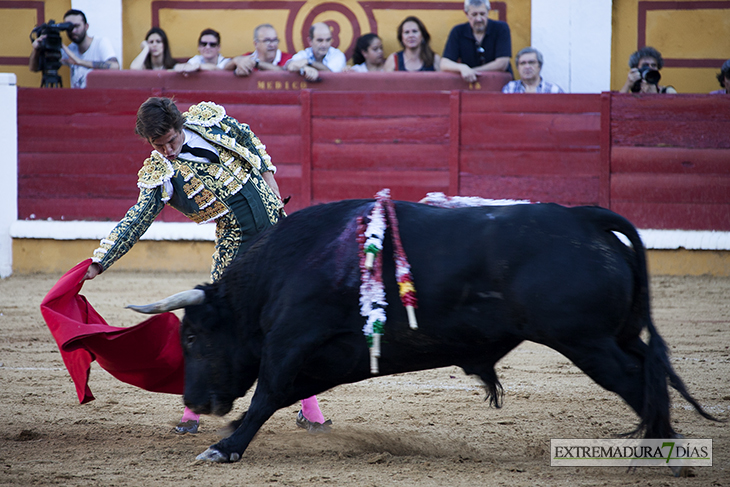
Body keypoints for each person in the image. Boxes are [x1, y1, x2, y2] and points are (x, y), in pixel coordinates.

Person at [83, 97, 329, 435]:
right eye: (159, 145)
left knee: (293, 319)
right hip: (237, 247)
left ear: (179, 125)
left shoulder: (208, 123)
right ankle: (191, 411)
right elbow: (136, 220)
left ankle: (310, 410)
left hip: (278, 231)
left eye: (171, 140)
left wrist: (268, 174)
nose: (167, 150)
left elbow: (245, 135)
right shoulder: (163, 174)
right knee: (216, 326)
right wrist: (100, 261)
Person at [29, 9, 120, 88]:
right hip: (78, 102)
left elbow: (115, 66)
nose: (73, 31)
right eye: (69, 28)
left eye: (76, 26)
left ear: (86, 26)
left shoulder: (100, 43)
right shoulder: (70, 49)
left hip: (98, 100)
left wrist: (79, 62)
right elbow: (34, 68)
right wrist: (36, 50)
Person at [440, 0, 512, 83]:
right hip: (470, 86)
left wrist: (472, 71)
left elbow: (502, 63)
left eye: (482, 14)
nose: (478, 19)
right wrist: (462, 68)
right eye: (474, 14)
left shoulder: (501, 28)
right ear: (466, 14)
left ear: (488, 12)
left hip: (499, 85)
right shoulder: (458, 31)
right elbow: (444, 64)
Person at [226, 24, 292, 77]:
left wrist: (256, 63)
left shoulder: (289, 58)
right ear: (256, 44)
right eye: (267, 41)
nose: (272, 45)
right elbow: (222, 68)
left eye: (274, 40)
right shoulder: (248, 57)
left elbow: (283, 71)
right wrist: (236, 61)